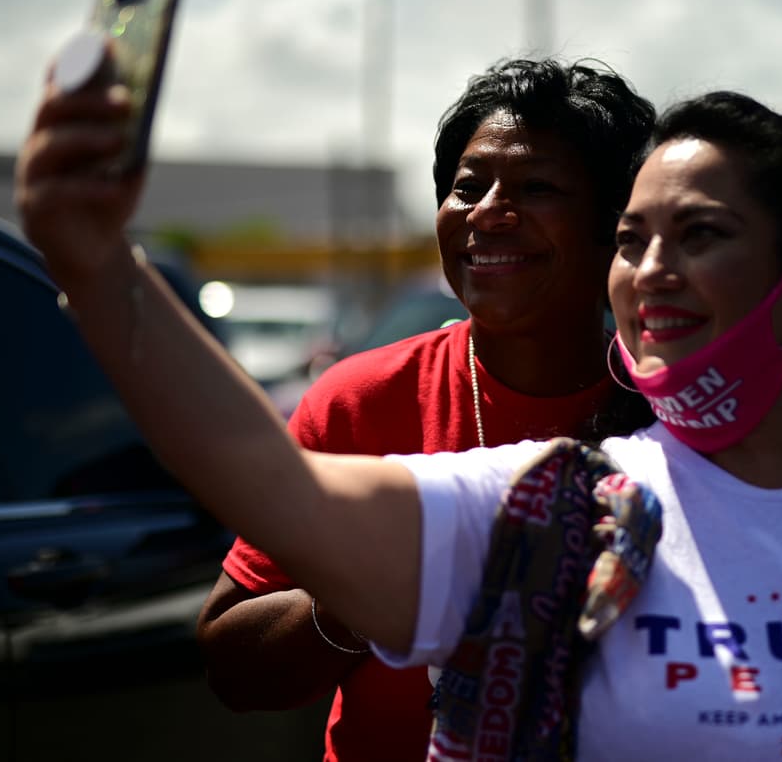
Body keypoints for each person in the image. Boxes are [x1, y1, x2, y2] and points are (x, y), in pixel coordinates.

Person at [16, 62, 782, 758]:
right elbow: (256, 479)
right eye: (640, 240)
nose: (490, 214)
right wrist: (96, 266)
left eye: (536, 189)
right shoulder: (543, 503)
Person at [196, 58, 658, 759]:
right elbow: (232, 668)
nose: (488, 212)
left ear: (614, 227)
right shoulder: (359, 402)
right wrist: (377, 592)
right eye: (467, 187)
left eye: (536, 187)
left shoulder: (673, 411)